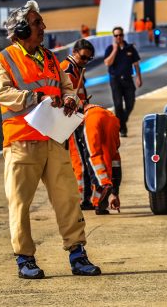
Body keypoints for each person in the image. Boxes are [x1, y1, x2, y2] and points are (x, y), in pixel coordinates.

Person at [0, 0, 101, 279]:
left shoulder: (51, 57)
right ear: (22, 28)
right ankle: (25, 259)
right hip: (21, 141)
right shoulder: (2, 60)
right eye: (38, 23)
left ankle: (77, 254)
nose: (43, 27)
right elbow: (4, 94)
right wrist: (34, 98)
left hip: (53, 138)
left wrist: (69, 98)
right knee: (20, 203)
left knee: (68, 198)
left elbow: (67, 86)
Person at [61, 39, 96, 209]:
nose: (86, 61)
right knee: (79, 161)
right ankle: (82, 199)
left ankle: (83, 196)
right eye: (83, 57)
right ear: (75, 52)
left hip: (77, 119)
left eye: (89, 59)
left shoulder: (76, 68)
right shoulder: (68, 69)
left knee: (81, 159)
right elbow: (67, 97)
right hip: (71, 121)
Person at [79, 104, 122, 215]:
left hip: (92, 118)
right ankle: (99, 204)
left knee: (92, 155)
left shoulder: (84, 115)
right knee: (111, 156)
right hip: (111, 118)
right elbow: (114, 160)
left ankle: (103, 184)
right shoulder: (106, 113)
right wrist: (115, 193)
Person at [103, 26, 141, 138]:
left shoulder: (130, 48)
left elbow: (136, 64)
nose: (118, 37)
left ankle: (119, 123)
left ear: (123, 35)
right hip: (115, 80)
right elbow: (107, 63)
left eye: (120, 35)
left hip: (128, 79)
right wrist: (115, 50)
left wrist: (139, 77)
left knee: (130, 103)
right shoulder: (110, 48)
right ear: (113, 37)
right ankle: (123, 129)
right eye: (116, 35)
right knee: (118, 104)